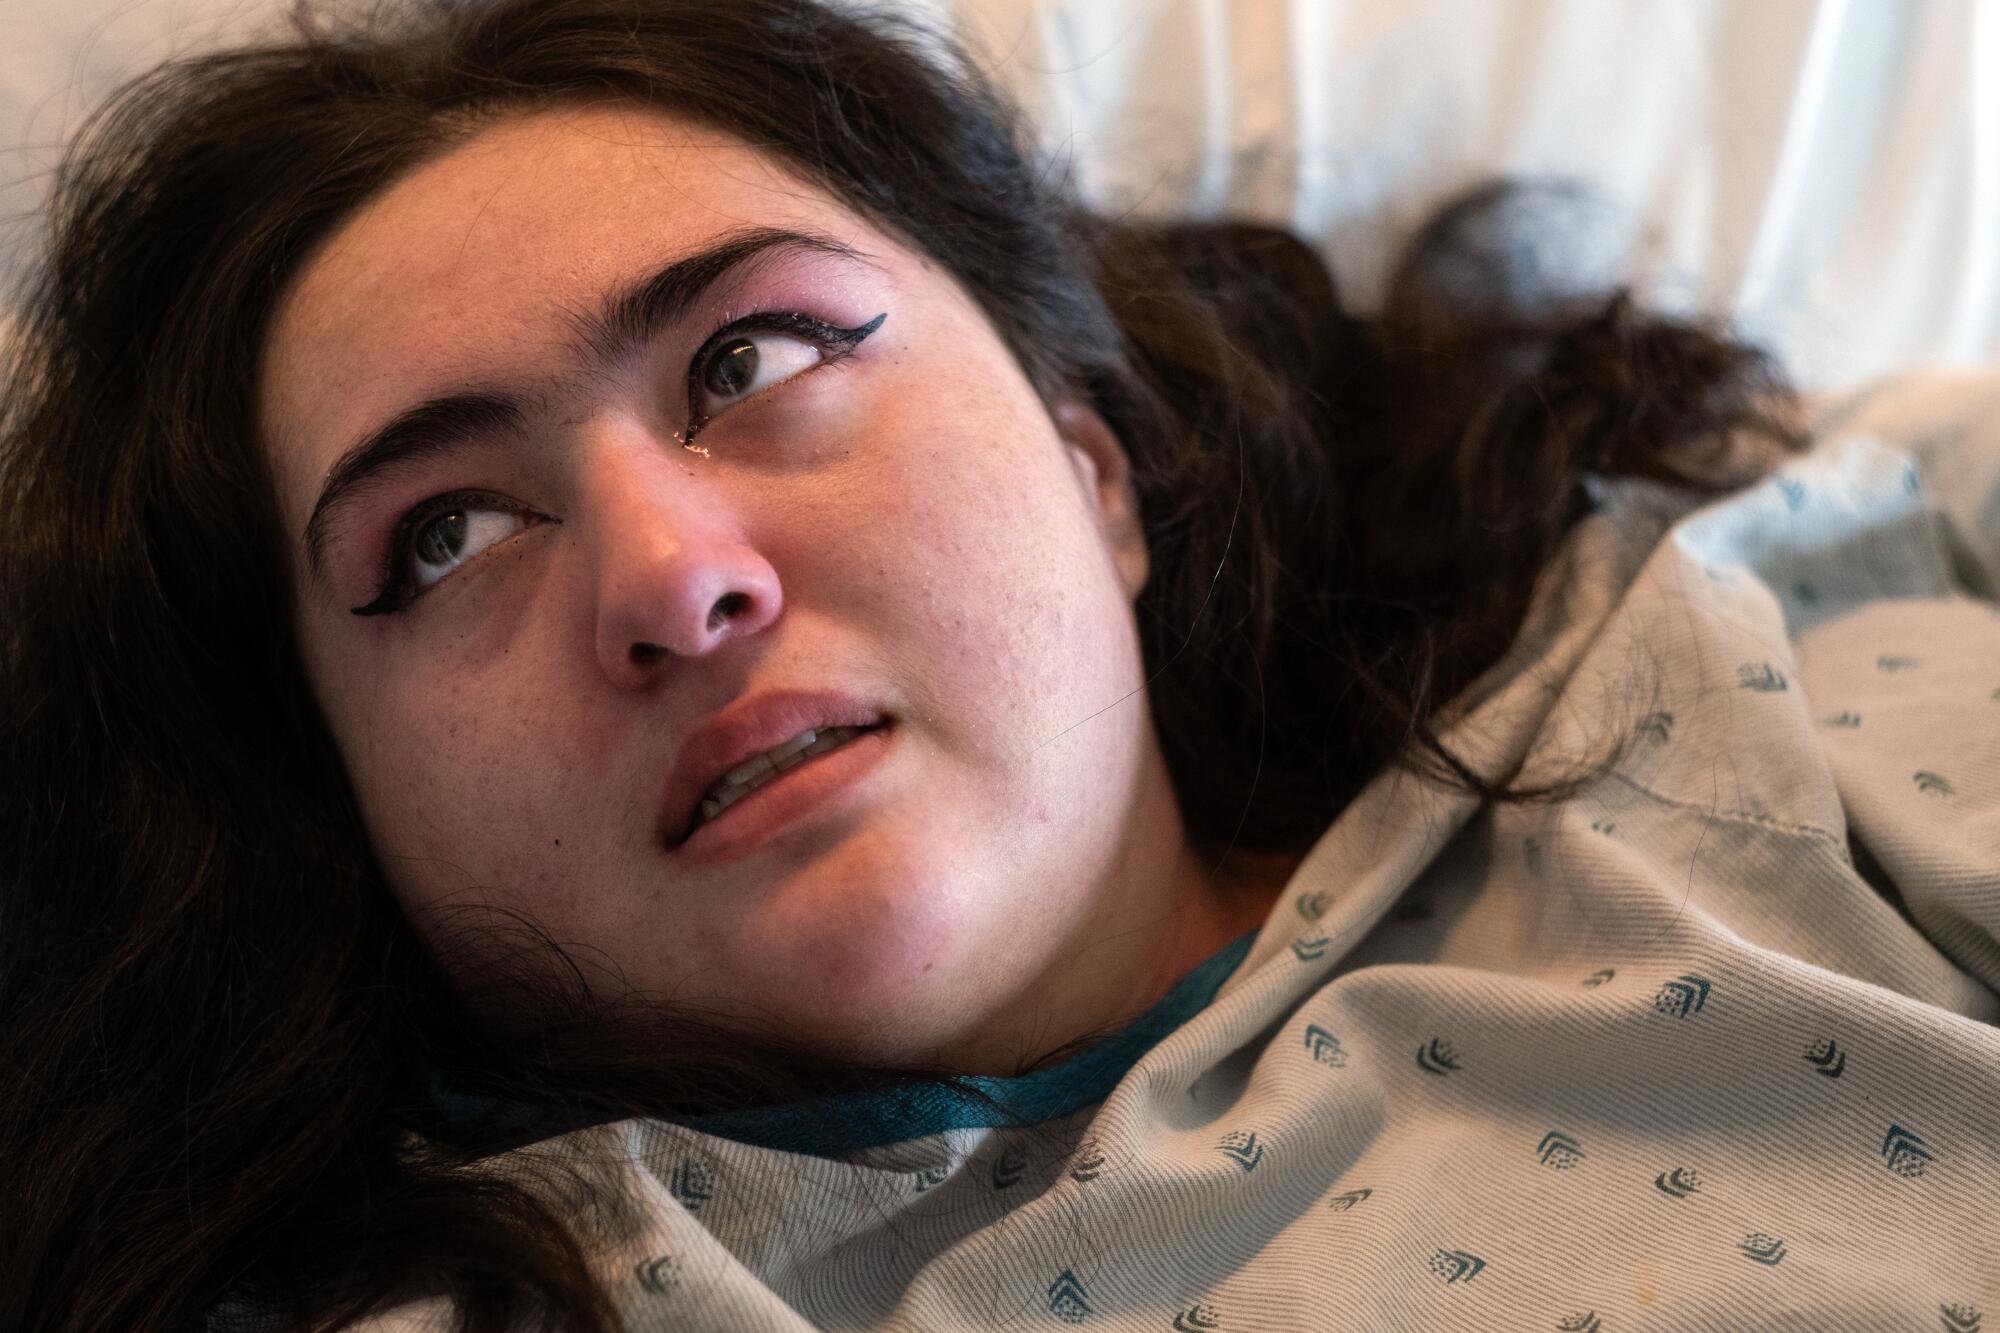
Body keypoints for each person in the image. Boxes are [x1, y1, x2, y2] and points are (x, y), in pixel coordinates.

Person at [5, 0, 1998, 1329]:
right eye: (438, 537)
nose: (672, 579)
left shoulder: (1744, 674)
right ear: (350, 808)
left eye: (753, 358)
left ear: (1090, 463)